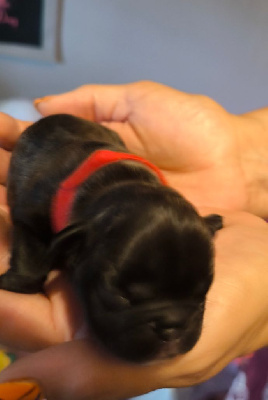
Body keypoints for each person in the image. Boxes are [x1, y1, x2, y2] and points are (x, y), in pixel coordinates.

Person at [0, 81, 267, 400]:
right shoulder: (40, 196)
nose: (172, 327)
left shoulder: (164, 206)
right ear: (72, 246)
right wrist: (28, 273)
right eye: (126, 297)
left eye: (197, 298)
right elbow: (28, 221)